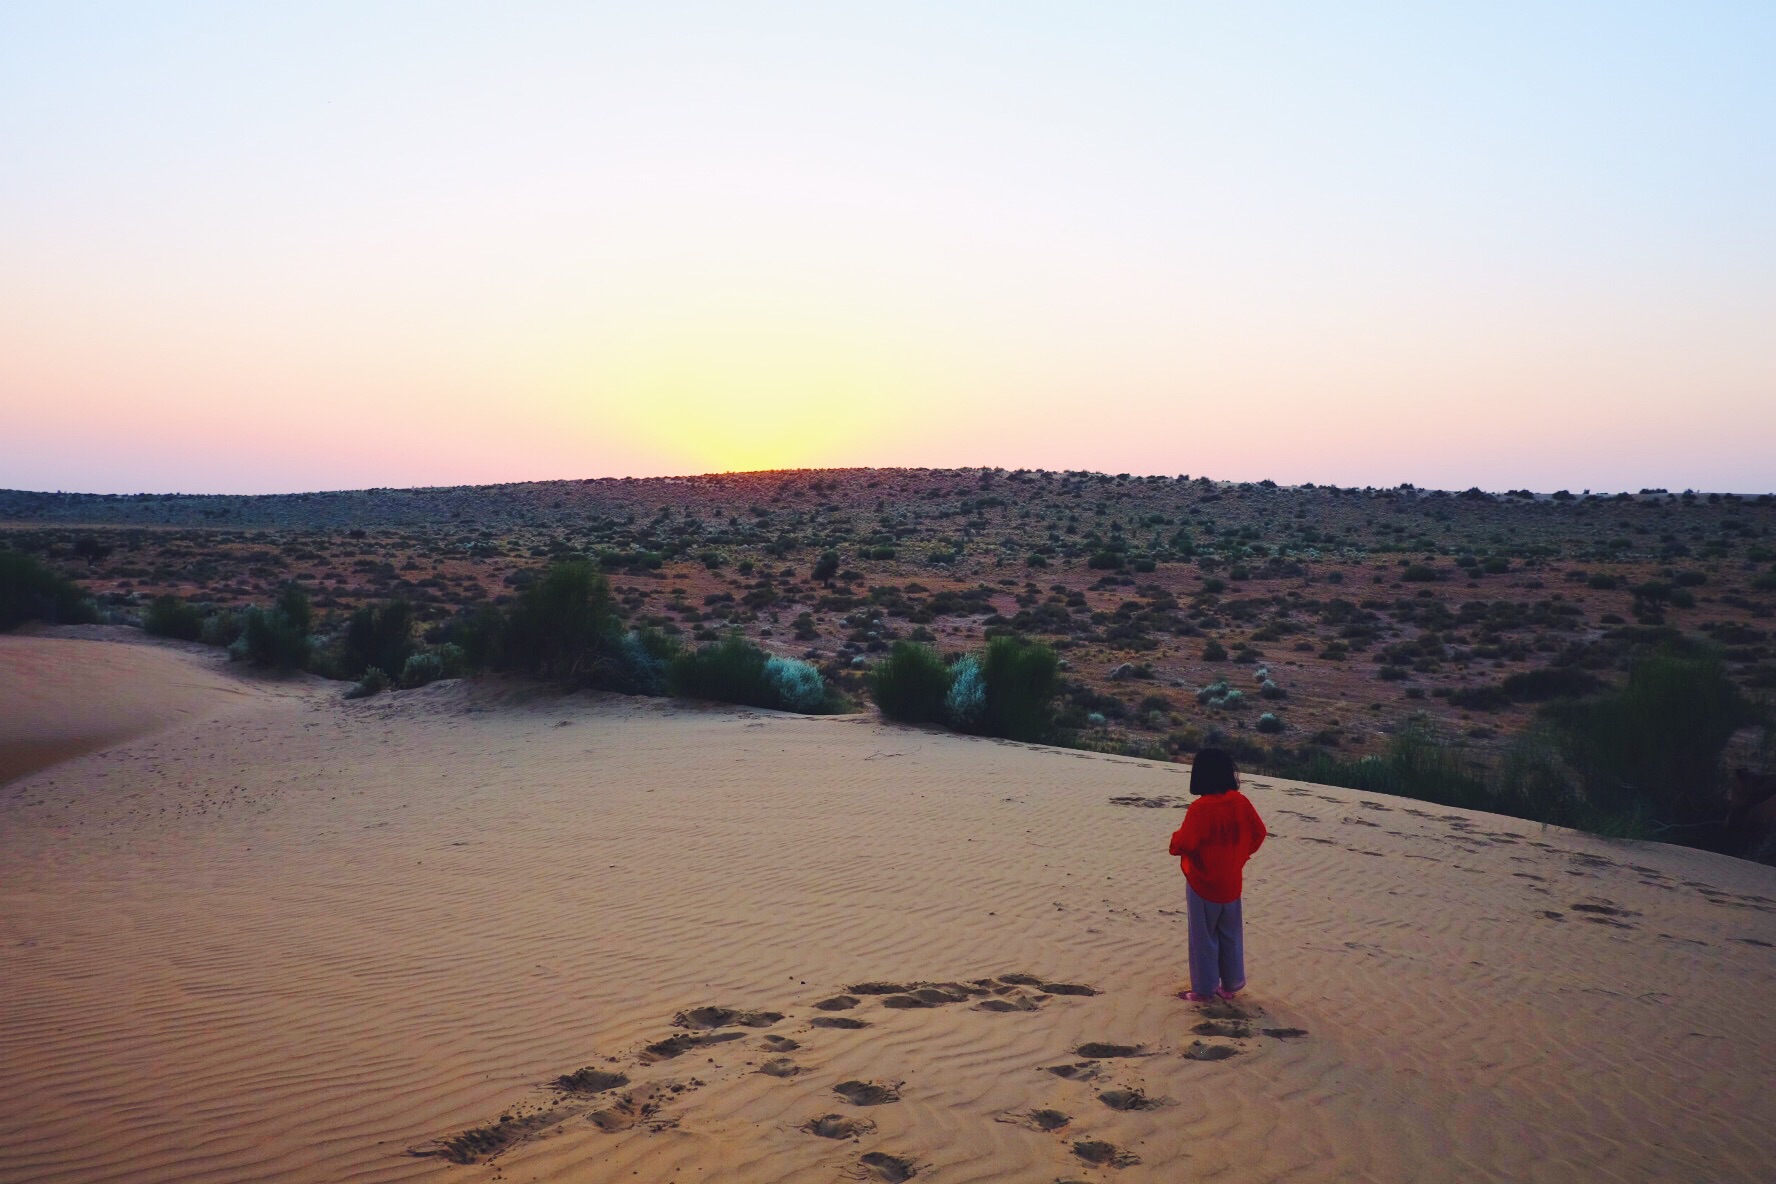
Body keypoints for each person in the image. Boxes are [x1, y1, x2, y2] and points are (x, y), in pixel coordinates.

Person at [1167, 748, 1267, 1003]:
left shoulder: (1201, 808)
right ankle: (1231, 985)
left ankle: (1203, 989)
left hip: (1203, 882)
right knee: (1230, 934)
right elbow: (1259, 832)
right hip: (1232, 882)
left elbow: (1183, 844)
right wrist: (1240, 856)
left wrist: (1174, 840)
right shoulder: (1240, 802)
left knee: (1203, 937)